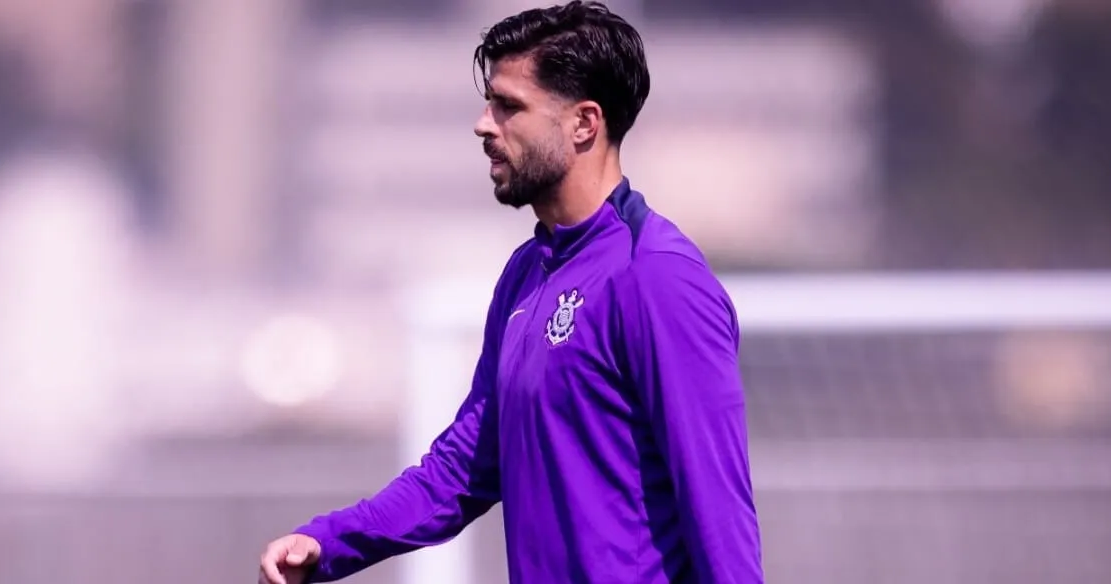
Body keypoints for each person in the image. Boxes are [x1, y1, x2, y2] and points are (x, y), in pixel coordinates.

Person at [258, 2, 763, 582]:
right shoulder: (528, 273)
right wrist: (328, 543)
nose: (483, 124)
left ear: (584, 124)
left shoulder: (656, 276)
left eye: (509, 107)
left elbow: (717, 505)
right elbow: (464, 466)